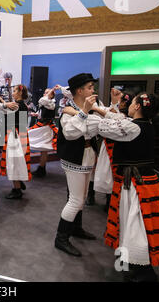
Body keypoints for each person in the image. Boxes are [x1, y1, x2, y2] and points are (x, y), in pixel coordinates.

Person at [98, 93, 159, 282]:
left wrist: (87, 114)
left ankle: (144, 270)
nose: (128, 104)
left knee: (137, 224)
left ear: (137, 107)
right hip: (139, 182)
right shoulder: (145, 124)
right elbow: (118, 118)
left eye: (133, 101)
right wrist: (98, 110)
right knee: (133, 222)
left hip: (137, 184)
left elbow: (104, 127)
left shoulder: (132, 127)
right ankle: (134, 264)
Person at [54, 73, 100, 257]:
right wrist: (84, 113)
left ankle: (76, 228)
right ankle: (61, 238)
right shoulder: (68, 110)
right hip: (74, 158)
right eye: (89, 87)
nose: (93, 90)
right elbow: (71, 134)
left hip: (87, 156)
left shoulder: (89, 108)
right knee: (75, 200)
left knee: (82, 196)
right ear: (79, 91)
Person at [0, 84, 32, 199]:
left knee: (13, 162)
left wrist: (0, 102)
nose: (12, 92)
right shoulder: (22, 105)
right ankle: (19, 182)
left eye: (14, 91)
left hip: (15, 136)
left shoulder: (17, 106)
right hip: (20, 134)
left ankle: (17, 189)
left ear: (20, 93)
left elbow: (5, 112)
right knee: (18, 161)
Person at [29, 86, 59, 178]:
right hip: (42, 127)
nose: (45, 94)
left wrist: (52, 92)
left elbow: (43, 101)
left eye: (47, 93)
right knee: (43, 150)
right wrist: (36, 114)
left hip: (45, 128)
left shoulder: (50, 103)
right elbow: (43, 112)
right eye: (45, 92)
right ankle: (41, 168)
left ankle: (41, 169)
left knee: (44, 149)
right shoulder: (47, 102)